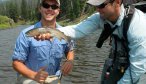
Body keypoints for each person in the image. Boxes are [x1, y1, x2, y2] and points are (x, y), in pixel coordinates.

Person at [34, 0, 146, 84]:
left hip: (140, 65)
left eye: (101, 5)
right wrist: (50, 32)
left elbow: (137, 68)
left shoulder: (138, 26)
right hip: (119, 60)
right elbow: (76, 30)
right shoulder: (101, 17)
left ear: (117, 2)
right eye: (96, 5)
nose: (97, 9)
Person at [11, 0, 74, 84]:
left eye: (54, 7)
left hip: (54, 78)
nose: (50, 9)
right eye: (46, 5)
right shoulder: (25, 34)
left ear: (58, 11)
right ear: (40, 8)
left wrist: (70, 61)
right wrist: (34, 75)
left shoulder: (65, 32)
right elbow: (16, 63)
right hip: (30, 77)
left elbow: (70, 49)